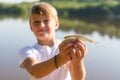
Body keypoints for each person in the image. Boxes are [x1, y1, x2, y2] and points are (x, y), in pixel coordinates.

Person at [19, 1, 87, 80]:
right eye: (36, 22)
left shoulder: (67, 47)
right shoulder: (26, 51)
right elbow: (35, 71)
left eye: (46, 21)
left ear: (56, 24)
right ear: (31, 27)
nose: (41, 25)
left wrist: (78, 61)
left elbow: (78, 78)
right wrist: (61, 58)